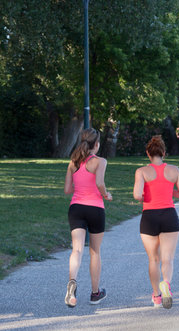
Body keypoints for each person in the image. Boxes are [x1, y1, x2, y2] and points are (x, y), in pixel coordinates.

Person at [133, 136, 179, 309]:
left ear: (148, 154)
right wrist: (170, 193)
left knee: (153, 259)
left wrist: (148, 196)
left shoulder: (141, 171)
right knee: (167, 258)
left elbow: (137, 195)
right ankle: (167, 284)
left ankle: (156, 296)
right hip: (169, 216)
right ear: (164, 153)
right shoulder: (174, 170)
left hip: (149, 216)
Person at [64, 128, 112, 308]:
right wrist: (106, 194)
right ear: (97, 144)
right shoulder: (100, 161)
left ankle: (72, 283)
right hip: (95, 209)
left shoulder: (73, 162)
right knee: (95, 251)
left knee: (76, 249)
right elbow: (100, 183)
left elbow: (68, 190)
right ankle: (95, 293)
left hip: (76, 208)